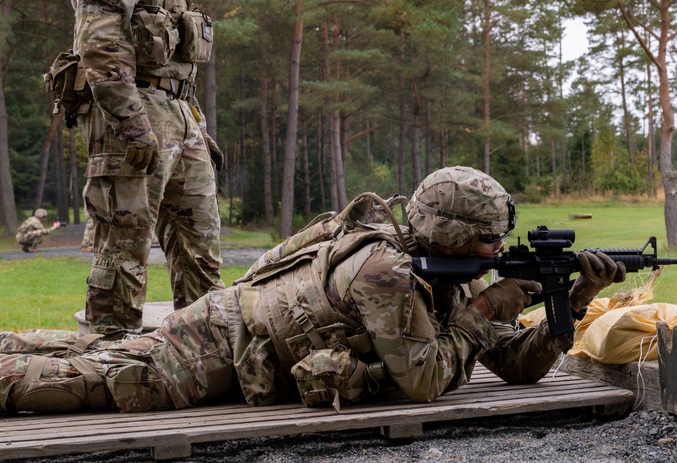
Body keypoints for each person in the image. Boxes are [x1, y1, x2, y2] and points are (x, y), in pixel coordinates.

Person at [0, 167, 626, 414]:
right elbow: (425, 380)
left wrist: (568, 303)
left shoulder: (448, 273)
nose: (499, 250)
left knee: (110, 353)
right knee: (100, 383)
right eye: (491, 238)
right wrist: (494, 305)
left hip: (239, 336)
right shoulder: (386, 271)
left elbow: (513, 365)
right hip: (221, 342)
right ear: (456, 236)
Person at [65, 0, 224, 337]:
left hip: (177, 113)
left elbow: (174, 49)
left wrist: (192, 121)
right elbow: (102, 48)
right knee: (125, 254)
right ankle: (110, 373)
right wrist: (134, 129)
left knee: (202, 255)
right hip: (136, 117)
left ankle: (202, 365)